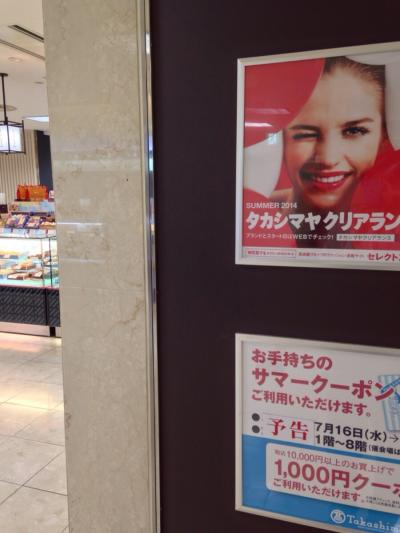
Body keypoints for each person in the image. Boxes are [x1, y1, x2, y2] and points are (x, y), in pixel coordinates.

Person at [270, 56, 386, 246]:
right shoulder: (247, 215)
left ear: (384, 137)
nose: (328, 158)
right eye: (306, 134)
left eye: (354, 131)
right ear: (281, 140)